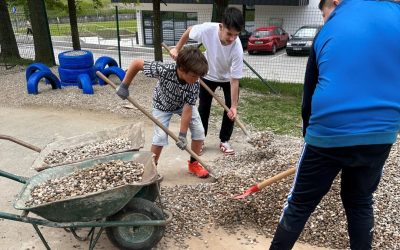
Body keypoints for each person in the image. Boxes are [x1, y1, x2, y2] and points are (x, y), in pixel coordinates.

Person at [270, 0, 400, 249]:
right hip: (381, 132)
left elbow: (309, 93)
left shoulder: (329, 28)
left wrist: (310, 135)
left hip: (328, 130)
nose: (324, 19)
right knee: (361, 201)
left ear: (337, 2)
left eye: (324, 13)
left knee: (298, 204)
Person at [116, 46, 210, 178]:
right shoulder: (164, 70)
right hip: (162, 105)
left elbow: (188, 109)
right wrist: (124, 86)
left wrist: (182, 135)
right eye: (194, 76)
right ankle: (151, 169)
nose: (197, 79)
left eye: (199, 76)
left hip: (182, 105)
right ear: (182, 69)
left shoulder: (194, 83)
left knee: (199, 131)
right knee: (160, 137)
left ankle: (194, 164)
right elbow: (136, 64)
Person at [169, 7, 244, 156]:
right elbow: (189, 30)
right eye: (229, 34)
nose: (232, 39)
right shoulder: (207, 29)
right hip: (208, 74)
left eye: (236, 35)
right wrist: (177, 49)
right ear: (221, 27)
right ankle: (200, 140)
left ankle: (224, 140)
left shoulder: (237, 48)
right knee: (204, 108)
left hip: (227, 77)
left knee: (230, 110)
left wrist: (234, 106)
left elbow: (235, 80)